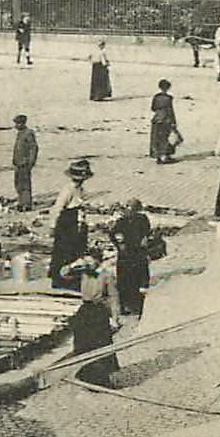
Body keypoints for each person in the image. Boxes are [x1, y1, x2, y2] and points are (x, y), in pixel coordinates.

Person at [60, 248, 121, 386]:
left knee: (100, 343)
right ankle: (85, 374)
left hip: (99, 311)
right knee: (82, 342)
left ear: (98, 261)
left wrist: (115, 318)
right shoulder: (83, 273)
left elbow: (113, 297)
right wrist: (74, 264)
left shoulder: (107, 275)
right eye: (86, 261)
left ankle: (102, 378)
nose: (88, 264)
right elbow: (62, 274)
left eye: (90, 261)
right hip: (85, 310)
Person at [49, 160, 92, 289]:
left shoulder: (80, 189)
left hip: (75, 221)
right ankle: (60, 280)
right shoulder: (67, 190)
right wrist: (52, 225)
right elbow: (57, 208)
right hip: (67, 222)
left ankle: (71, 278)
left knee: (75, 250)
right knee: (64, 251)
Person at [111, 199, 154, 316]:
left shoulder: (142, 219)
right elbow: (114, 234)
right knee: (124, 281)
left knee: (139, 279)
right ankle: (125, 306)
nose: (129, 212)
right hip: (126, 256)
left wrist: (145, 238)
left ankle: (138, 307)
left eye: (132, 210)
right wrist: (120, 244)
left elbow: (147, 232)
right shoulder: (121, 222)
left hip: (138, 254)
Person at [11, 114, 39, 211]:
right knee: (18, 184)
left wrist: (30, 162)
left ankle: (26, 204)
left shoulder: (28, 133)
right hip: (18, 163)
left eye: (18, 123)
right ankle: (21, 202)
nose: (16, 125)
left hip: (25, 164)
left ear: (23, 123)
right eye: (16, 123)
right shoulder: (20, 133)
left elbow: (33, 148)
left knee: (25, 185)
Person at [149, 78, 178, 164]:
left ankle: (158, 156)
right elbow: (170, 110)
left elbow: (153, 108)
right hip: (166, 119)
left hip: (156, 118)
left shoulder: (156, 97)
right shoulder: (169, 98)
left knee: (156, 138)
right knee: (165, 138)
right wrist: (174, 121)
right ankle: (165, 156)